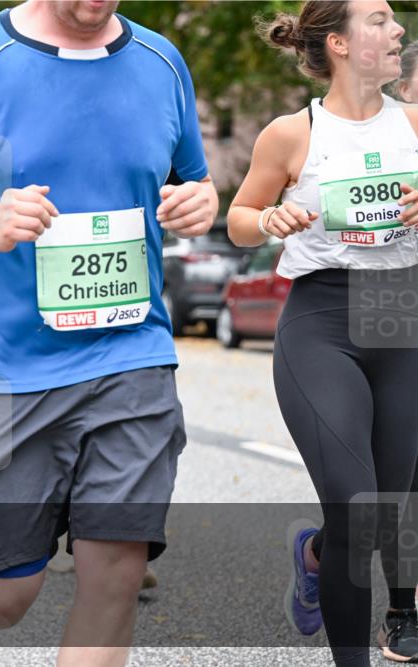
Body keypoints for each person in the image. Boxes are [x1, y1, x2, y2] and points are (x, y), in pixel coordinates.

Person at [0, 1, 217, 664]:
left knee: (114, 576)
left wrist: (202, 200)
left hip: (132, 355)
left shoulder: (161, 63)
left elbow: (193, 183)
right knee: (6, 594)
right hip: (5, 369)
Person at [227, 2, 417, 665]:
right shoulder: (290, 132)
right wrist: (269, 218)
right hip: (321, 321)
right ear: (339, 42)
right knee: (359, 508)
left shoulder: (417, 123)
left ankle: (315, 553)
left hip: (401, 315)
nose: (399, 31)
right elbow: (239, 217)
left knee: (385, 513)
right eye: (382, 19)